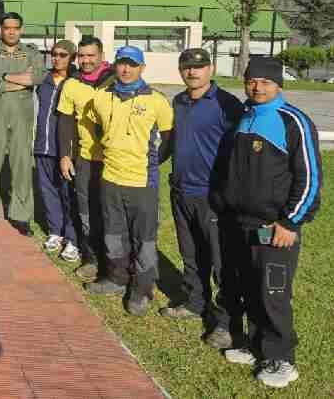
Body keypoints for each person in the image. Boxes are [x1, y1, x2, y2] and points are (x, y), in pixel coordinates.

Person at [217, 58, 322, 389]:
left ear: (278, 85)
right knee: (250, 287)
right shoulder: (245, 116)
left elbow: (310, 179)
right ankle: (256, 345)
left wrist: (290, 222)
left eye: (265, 82)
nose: (257, 87)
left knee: (273, 293)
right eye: (252, 81)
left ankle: (282, 359)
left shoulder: (293, 121)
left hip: (276, 227)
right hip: (241, 224)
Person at [161, 48, 242, 350]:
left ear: (211, 69)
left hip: (212, 195)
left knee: (221, 261)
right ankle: (195, 302)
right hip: (181, 191)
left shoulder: (226, 104)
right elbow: (171, 143)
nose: (192, 72)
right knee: (191, 254)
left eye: (199, 67)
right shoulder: (179, 101)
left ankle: (226, 322)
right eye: (186, 67)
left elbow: (239, 152)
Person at [85, 46, 173, 318]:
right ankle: (116, 278)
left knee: (143, 239)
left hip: (141, 182)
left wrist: (147, 164)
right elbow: (98, 128)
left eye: (132, 64)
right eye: (122, 63)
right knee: (113, 233)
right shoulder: (101, 97)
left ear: (141, 68)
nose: (126, 69)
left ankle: (142, 289)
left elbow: (167, 140)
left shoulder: (157, 101)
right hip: (110, 177)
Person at [56, 35, 115, 280]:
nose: (86, 60)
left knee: (113, 213)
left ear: (101, 56)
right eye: (82, 56)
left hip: (115, 160)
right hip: (85, 158)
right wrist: (65, 155)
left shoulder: (116, 80)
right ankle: (91, 259)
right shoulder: (71, 84)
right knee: (87, 212)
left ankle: (116, 263)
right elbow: (65, 122)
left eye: (91, 55)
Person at [0, 12, 45, 235]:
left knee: (22, 166)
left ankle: (21, 215)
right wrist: (20, 80)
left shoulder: (31, 53)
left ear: (21, 29)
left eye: (15, 28)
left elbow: (37, 77)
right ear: (0, 29)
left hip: (21, 116)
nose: (11, 32)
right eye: (7, 27)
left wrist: (3, 76)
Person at [32, 40, 80, 262]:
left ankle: (72, 238)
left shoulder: (76, 82)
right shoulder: (44, 79)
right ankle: (55, 231)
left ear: (72, 58)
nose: (57, 58)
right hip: (42, 145)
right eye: (54, 54)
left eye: (62, 55)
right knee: (47, 190)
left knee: (68, 195)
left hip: (64, 149)